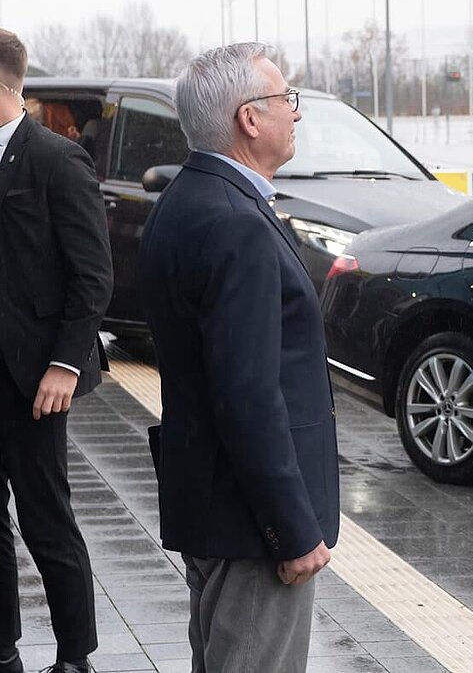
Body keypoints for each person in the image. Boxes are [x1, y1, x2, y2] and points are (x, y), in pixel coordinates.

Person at [137, 43, 338, 673]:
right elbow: (248, 395)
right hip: (253, 526)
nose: (296, 112)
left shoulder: (186, 200)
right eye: (286, 99)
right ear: (249, 118)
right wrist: (292, 528)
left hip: (215, 504)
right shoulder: (235, 222)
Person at [0, 29, 112, 673]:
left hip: (36, 379)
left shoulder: (57, 159)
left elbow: (93, 276)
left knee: (46, 520)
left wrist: (65, 365)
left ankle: (75, 657)